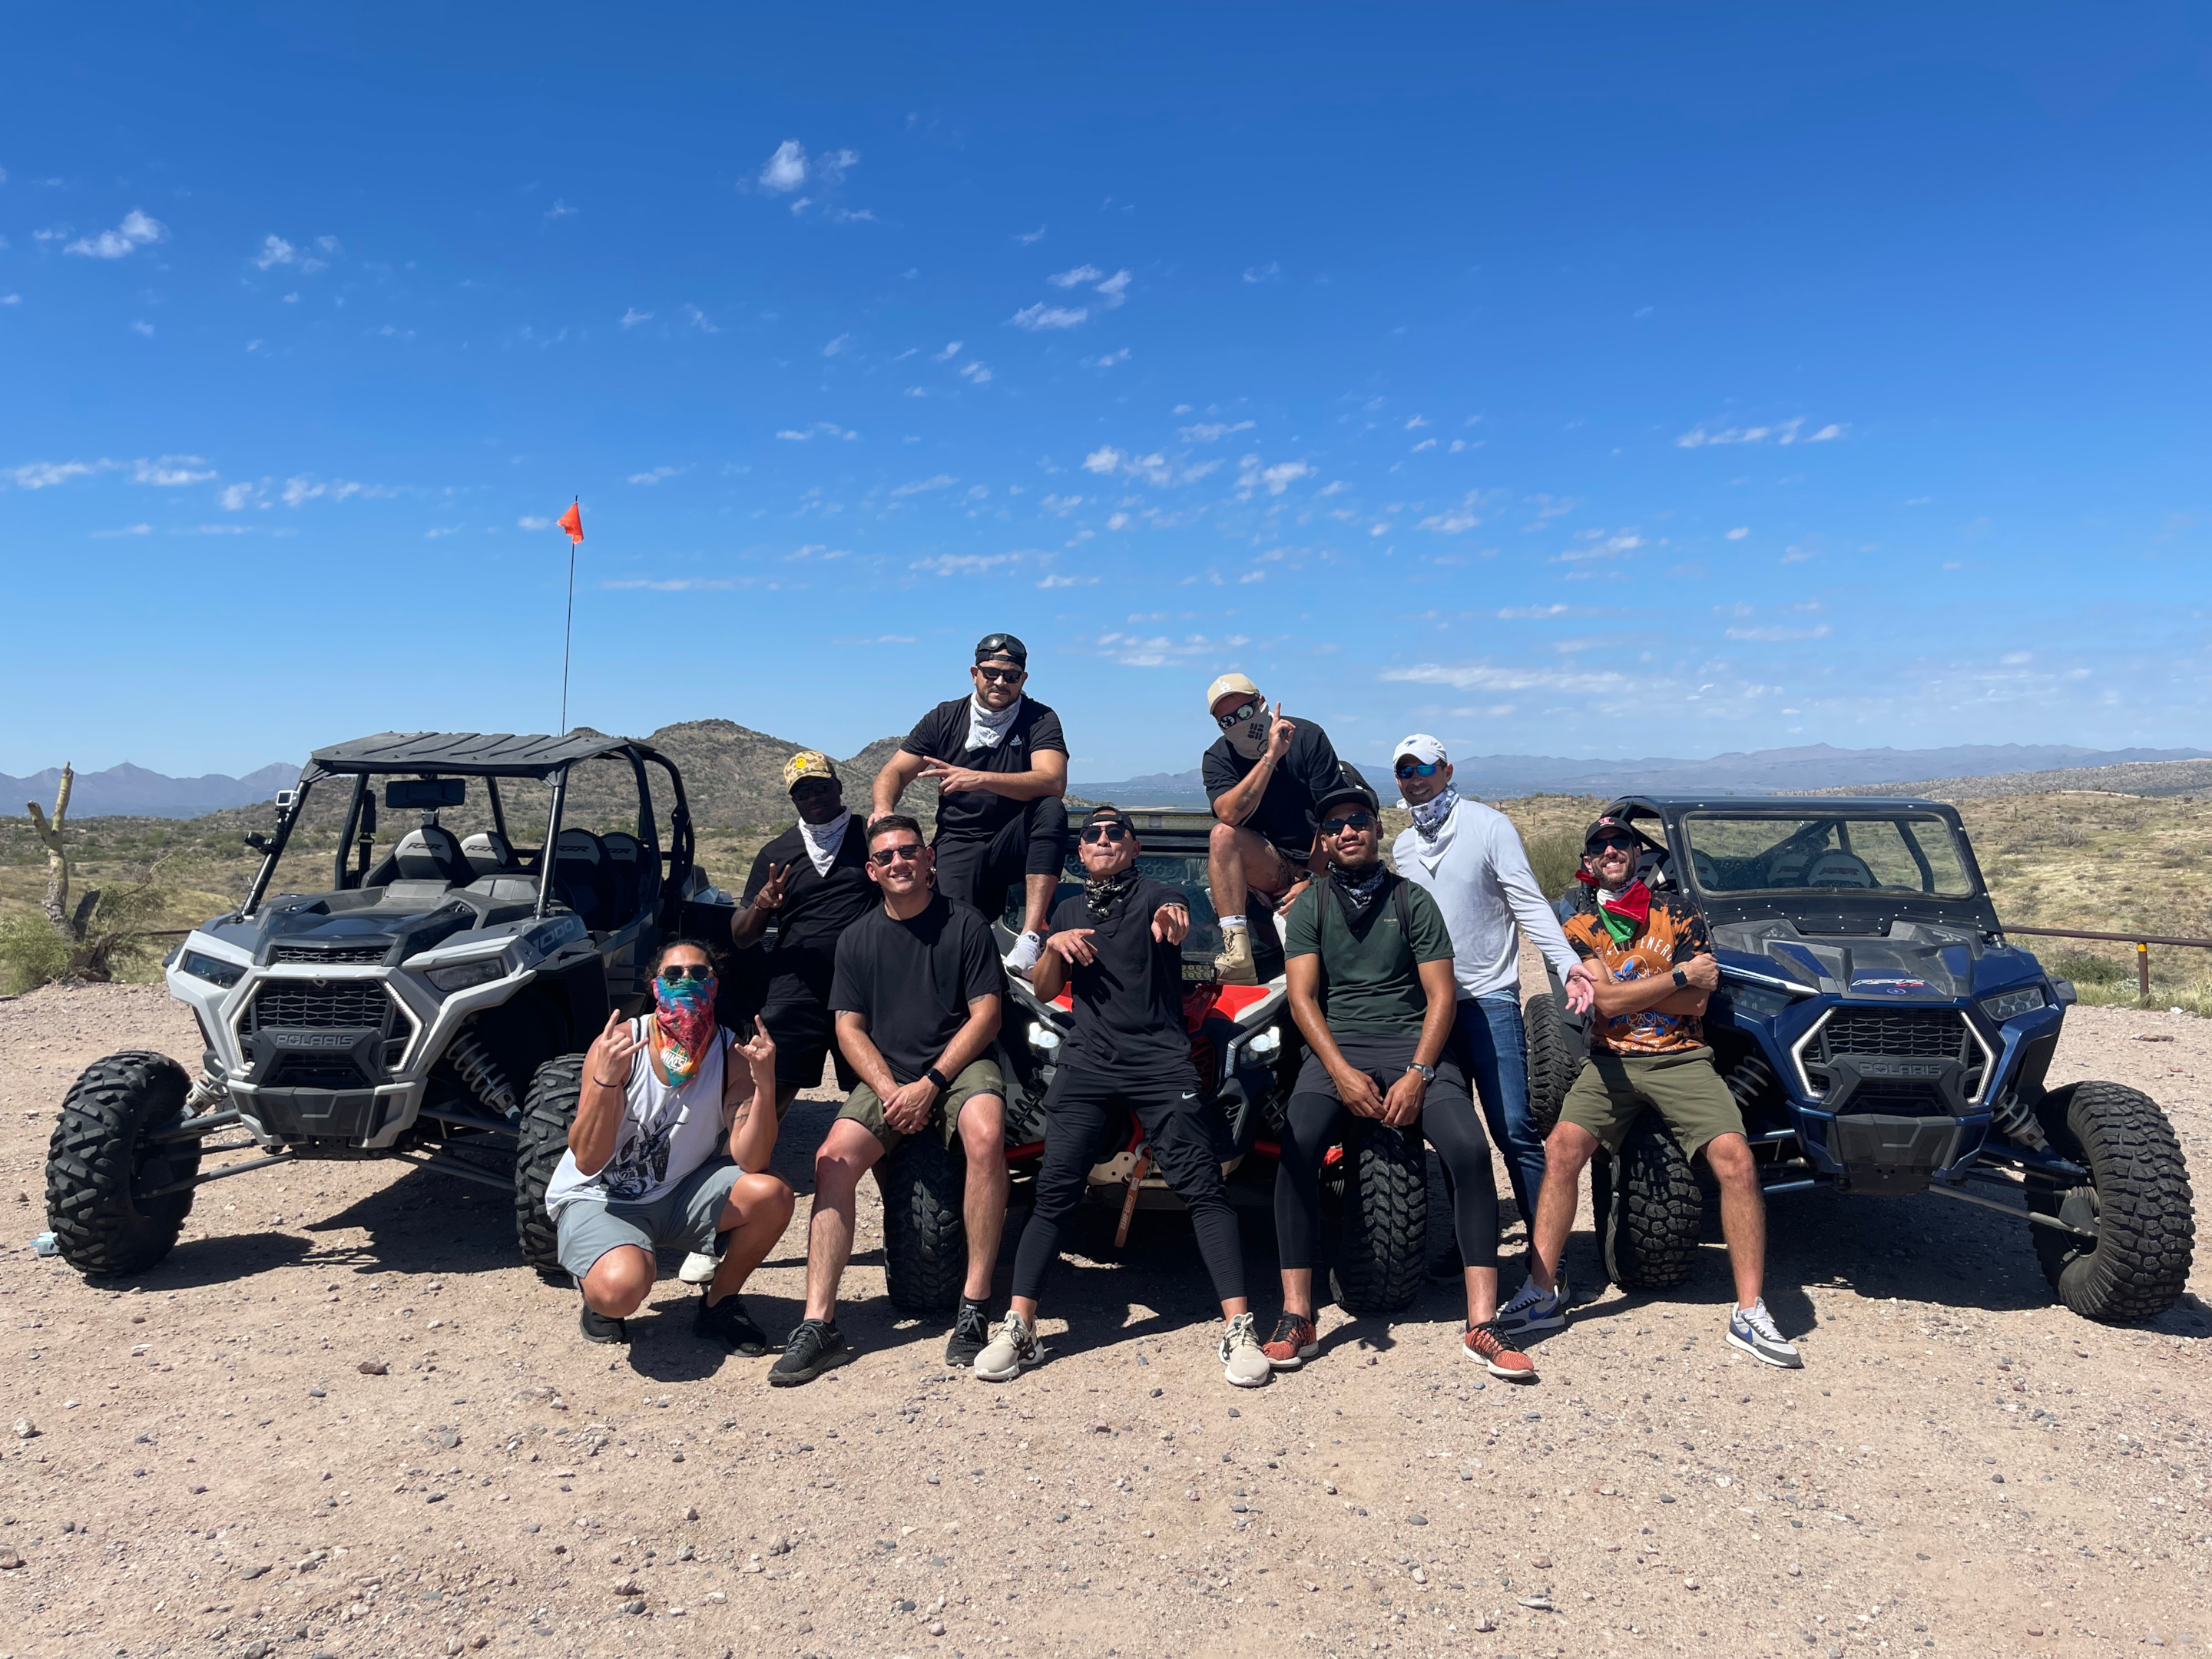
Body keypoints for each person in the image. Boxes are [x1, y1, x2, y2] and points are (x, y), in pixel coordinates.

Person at [973, 806, 1273, 1389]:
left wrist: (1175, 916)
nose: (1104, 839)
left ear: (1133, 849)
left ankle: (1240, 1329)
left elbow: (1175, 913)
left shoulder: (1156, 892)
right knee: (1054, 1190)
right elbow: (1044, 987)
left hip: (1161, 1062)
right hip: (1087, 1062)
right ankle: (1020, 1325)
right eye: (1093, 835)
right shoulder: (1065, 908)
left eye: (1117, 834)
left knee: (1204, 1188)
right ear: (1081, 853)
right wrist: (1054, 945)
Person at [1495, 816, 1804, 1369]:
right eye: (1600, 846)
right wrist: (1679, 979)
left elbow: (1698, 1006)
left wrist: (1652, 992)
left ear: (1639, 854)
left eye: (1621, 843)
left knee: (1735, 1160)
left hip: (1683, 1058)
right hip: (1611, 1062)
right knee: (1562, 1150)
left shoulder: (1680, 912)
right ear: (1588, 863)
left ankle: (1751, 1311)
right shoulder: (1582, 923)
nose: (1611, 851)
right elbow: (1608, 1003)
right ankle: (1543, 1293)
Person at [1261, 780, 1537, 1381]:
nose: (1348, 831)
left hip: (1413, 1045)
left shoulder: (1413, 900)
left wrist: (1417, 1073)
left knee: (1467, 1149)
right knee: (1299, 1146)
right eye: (1334, 826)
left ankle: (1482, 1321)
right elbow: (1303, 998)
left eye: (1358, 819)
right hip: (1340, 1048)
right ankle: (1297, 1314)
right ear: (1324, 842)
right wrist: (1338, 1071)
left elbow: (1441, 996)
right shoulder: (1313, 904)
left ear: (1378, 829)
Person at [770, 814, 1008, 1385]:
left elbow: (987, 1015)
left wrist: (930, 1083)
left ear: (928, 859)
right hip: (889, 1076)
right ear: (873, 871)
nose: (898, 863)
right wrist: (888, 1090)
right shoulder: (858, 938)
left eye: (908, 852)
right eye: (886, 857)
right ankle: (819, 1323)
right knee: (831, 1161)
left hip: (959, 1066)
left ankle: (974, 1305)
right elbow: (848, 1027)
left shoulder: (965, 925)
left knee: (986, 1134)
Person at [543, 939, 795, 1353]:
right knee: (622, 1288)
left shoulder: (731, 1055)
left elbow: (752, 1158)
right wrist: (607, 1081)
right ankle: (602, 1290)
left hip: (675, 1190)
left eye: (699, 974)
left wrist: (765, 1084)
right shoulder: (621, 1045)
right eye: (673, 975)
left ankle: (720, 1302)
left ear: (714, 985)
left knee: (772, 1194)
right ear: (654, 985)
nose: (687, 983)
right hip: (601, 1196)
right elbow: (588, 1160)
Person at [1388, 733, 1594, 1228]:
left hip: (1489, 1000)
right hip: (1428, 1012)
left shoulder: (1487, 826)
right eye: (1404, 772)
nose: (1415, 780)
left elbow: (1528, 903)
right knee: (1453, 1138)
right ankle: (1468, 1249)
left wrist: (1567, 963)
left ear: (1447, 770)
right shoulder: (1403, 846)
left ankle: (1549, 1257)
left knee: (1515, 1131)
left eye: (1424, 769)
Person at [873, 632, 1068, 973]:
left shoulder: (1040, 718)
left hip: (1011, 840)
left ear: (1023, 679)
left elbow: (1053, 781)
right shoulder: (944, 718)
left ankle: (1030, 937)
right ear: (974, 673)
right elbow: (894, 772)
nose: (1000, 682)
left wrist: (979, 778)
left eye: (1010, 676)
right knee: (951, 933)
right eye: (991, 673)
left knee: (1050, 809)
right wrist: (884, 809)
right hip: (958, 840)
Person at [728, 750, 876, 1113]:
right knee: (768, 1098)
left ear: (838, 787)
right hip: (796, 991)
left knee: (877, 1098)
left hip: (866, 986)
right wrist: (764, 904)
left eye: (821, 787)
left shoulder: (871, 836)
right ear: (793, 799)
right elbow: (741, 936)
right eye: (802, 792)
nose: (813, 797)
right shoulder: (777, 853)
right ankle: (743, 1167)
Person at [1199, 672, 1359, 985]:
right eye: (1226, 721)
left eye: (1244, 712)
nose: (1238, 724)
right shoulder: (1218, 757)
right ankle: (1238, 953)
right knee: (1221, 835)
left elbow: (1333, 814)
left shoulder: (1308, 736)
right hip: (1270, 864)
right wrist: (1270, 757)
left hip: (1324, 859)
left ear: (1261, 703)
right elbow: (1228, 814)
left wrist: (1314, 880)